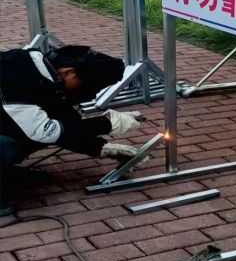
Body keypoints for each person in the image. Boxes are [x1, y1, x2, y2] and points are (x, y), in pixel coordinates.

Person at [0, 45, 144, 215]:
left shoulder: (43, 75)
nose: (89, 93)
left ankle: (8, 173)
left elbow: (66, 123)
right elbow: (43, 131)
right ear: (68, 72)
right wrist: (106, 124)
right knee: (7, 145)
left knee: (54, 126)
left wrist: (101, 148)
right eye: (88, 86)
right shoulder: (12, 77)